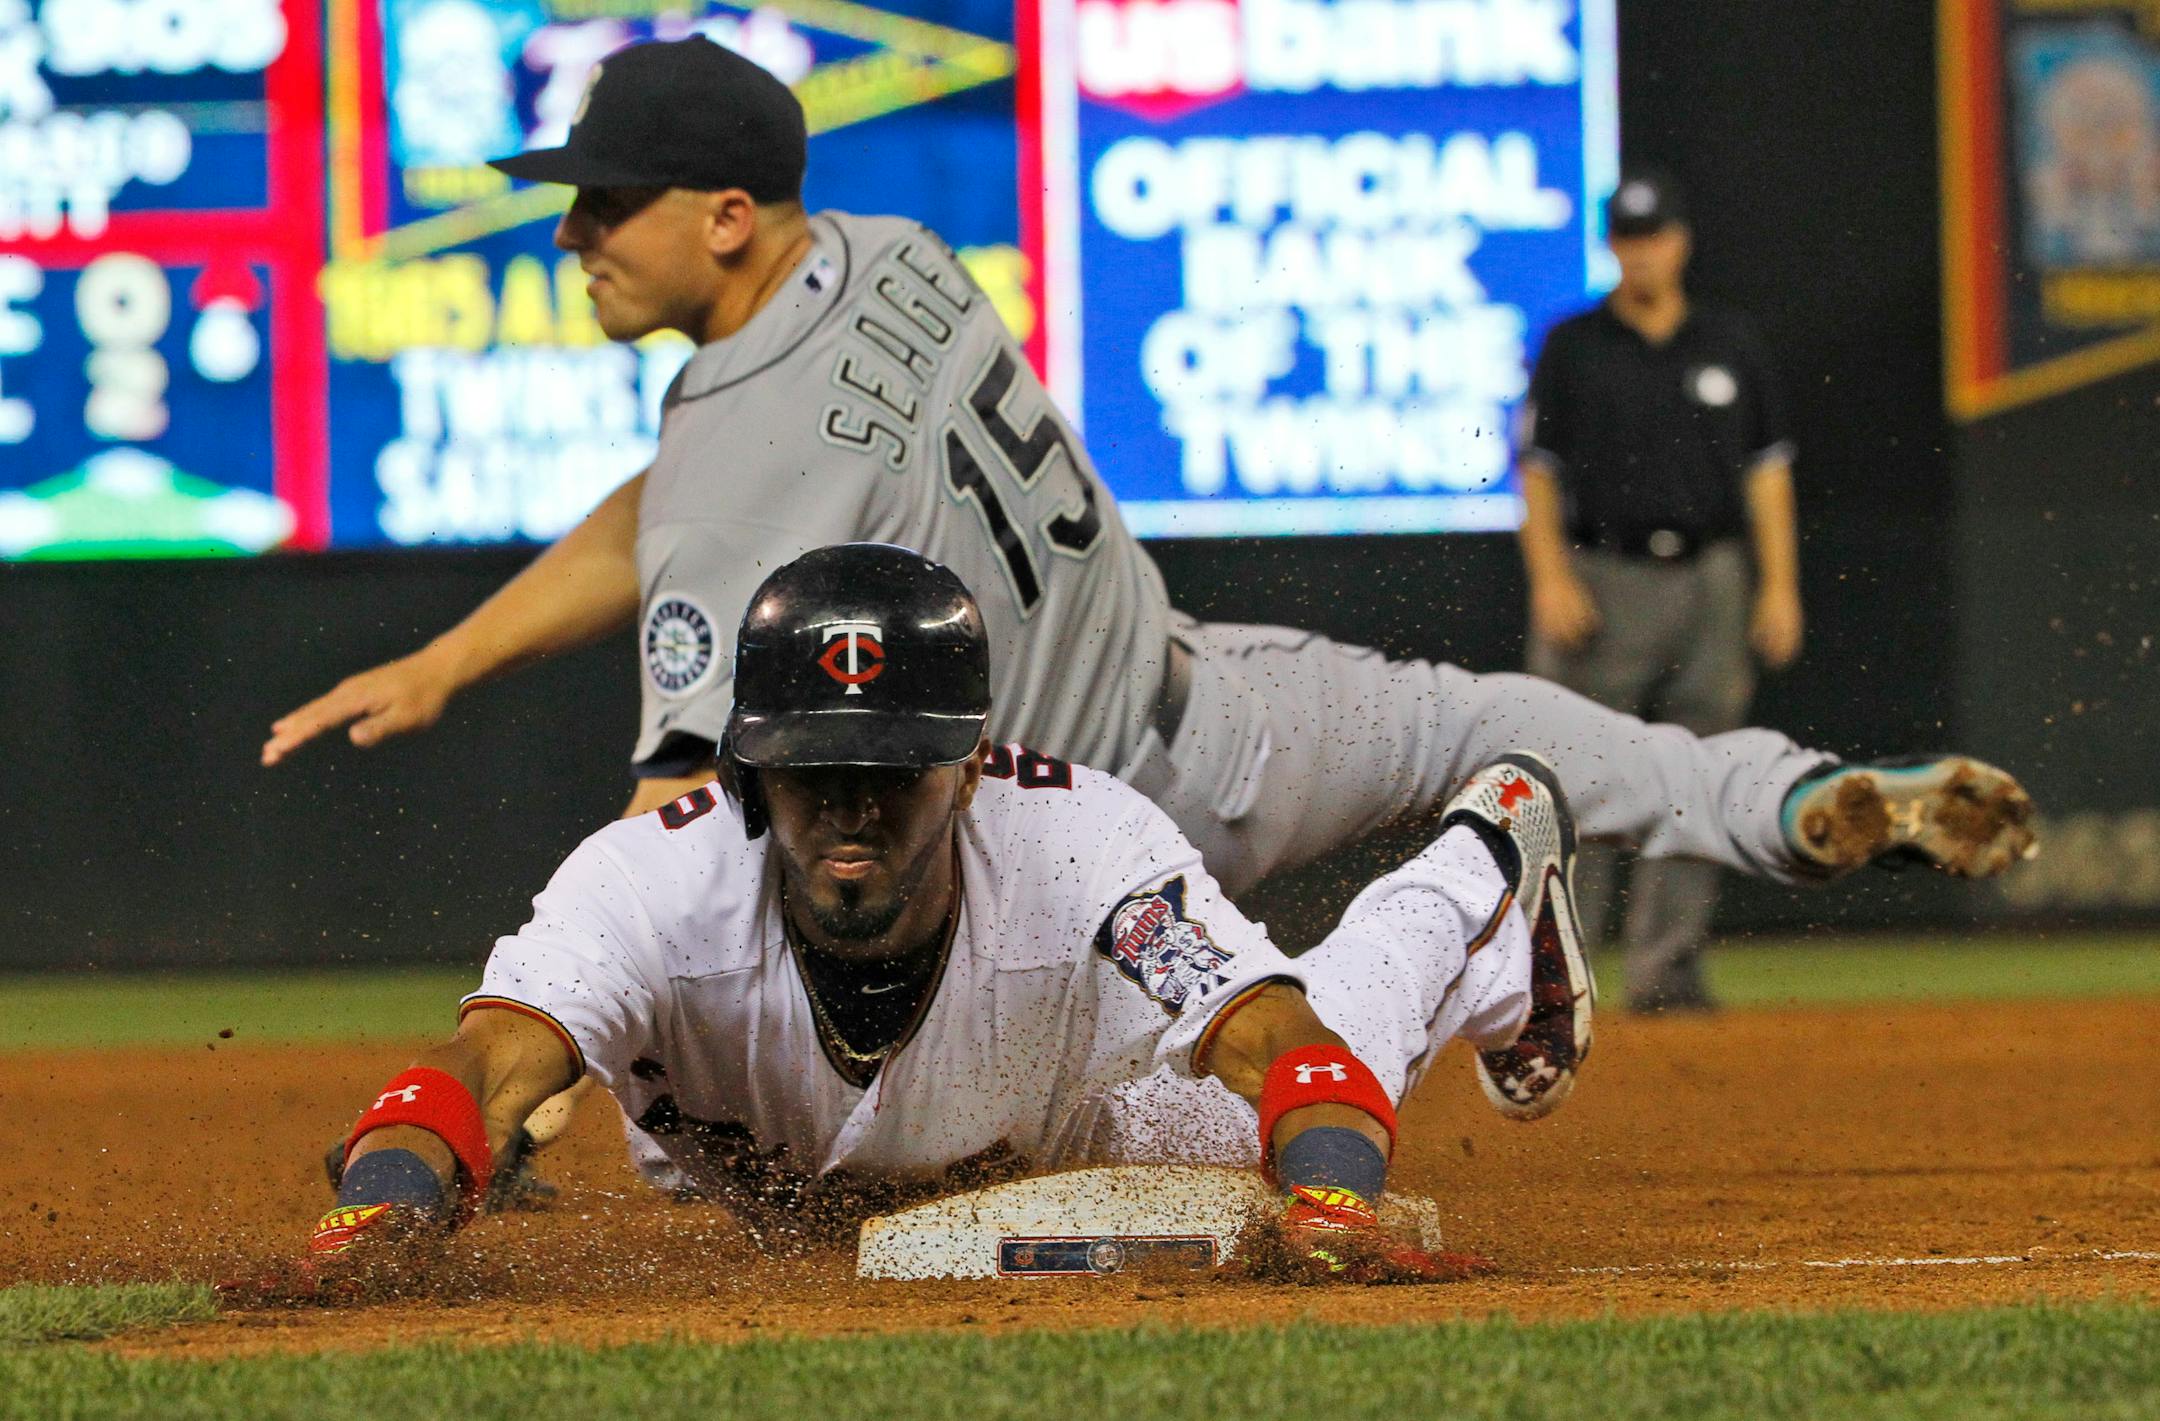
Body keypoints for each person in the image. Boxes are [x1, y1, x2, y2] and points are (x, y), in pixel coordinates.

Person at [261, 39, 2033, 1142]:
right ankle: (1783, 798)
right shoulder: (888, 254)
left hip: (1069, 849)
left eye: (605, 204)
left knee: (1155, 1150)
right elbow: (688, 494)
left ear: (726, 217)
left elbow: (678, 807)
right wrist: (456, 653)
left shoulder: (736, 463)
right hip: (1215, 696)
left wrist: (579, 1058)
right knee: (1498, 717)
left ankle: (1480, 933)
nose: (574, 233)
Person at [308, 544, 1596, 1283]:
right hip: (781, 1127)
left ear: (972, 764)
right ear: (749, 767)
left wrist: (1331, 1202)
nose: (850, 807)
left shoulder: (1081, 844)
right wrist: (388, 1198)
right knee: (662, 1135)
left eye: (893, 768)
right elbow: (484, 1061)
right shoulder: (644, 885)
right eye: (813, 770)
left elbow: (1278, 1039)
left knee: (1354, 1023)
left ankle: (1492, 850)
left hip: (1088, 1126)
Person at [1517, 169, 1806, 1012]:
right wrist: (1550, 578)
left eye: (1656, 236)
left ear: (1681, 241)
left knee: (1700, 781)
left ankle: (1666, 971)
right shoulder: (1574, 345)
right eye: (1629, 238)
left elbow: (1767, 473)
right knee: (1577, 783)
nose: (1643, 253)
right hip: (1603, 577)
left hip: (1712, 576)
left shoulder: (1729, 342)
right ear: (1613, 246)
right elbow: (1536, 471)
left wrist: (1779, 586)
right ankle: (1553, 979)